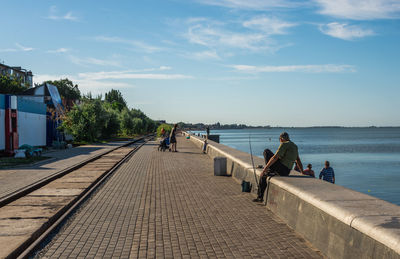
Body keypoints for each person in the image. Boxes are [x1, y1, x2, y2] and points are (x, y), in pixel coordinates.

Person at [253, 132, 304, 202]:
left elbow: (275, 157)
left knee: (266, 151)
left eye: (279, 139)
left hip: (281, 169)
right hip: (287, 171)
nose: (279, 141)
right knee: (265, 175)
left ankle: (260, 197)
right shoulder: (295, 146)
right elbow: (298, 160)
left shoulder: (284, 144)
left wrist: (265, 169)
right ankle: (271, 171)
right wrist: (302, 172)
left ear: (281, 139)